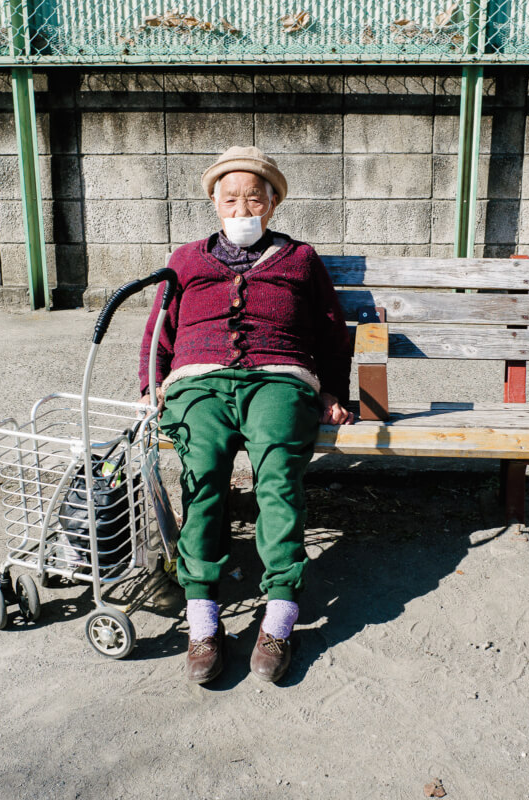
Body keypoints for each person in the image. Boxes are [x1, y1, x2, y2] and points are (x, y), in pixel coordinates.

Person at [139, 146, 354, 684]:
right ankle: (203, 621)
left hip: (280, 378)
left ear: (272, 204)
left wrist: (331, 390)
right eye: (229, 198)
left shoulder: (300, 258)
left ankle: (280, 613)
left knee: (278, 479)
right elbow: (159, 330)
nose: (241, 208)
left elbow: (331, 330)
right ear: (214, 202)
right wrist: (150, 384)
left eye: (253, 198)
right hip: (198, 382)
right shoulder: (187, 258)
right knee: (203, 475)